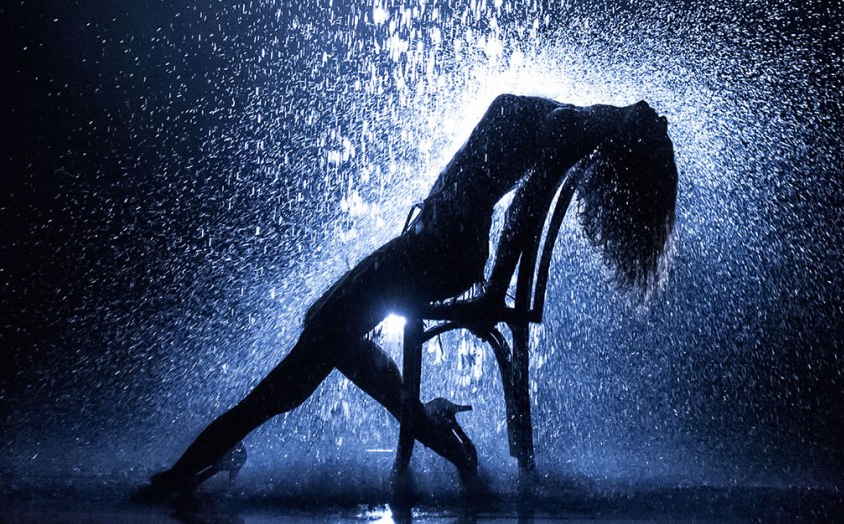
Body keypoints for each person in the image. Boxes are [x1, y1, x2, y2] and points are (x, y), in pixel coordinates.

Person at [144, 94, 678, 497]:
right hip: (433, 245)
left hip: (440, 252)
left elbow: (523, 212)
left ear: (631, 142)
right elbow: (521, 206)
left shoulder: (572, 127)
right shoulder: (577, 121)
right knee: (326, 332)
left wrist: (492, 296)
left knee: (321, 336)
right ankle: (433, 430)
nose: (651, 113)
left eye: (650, 125)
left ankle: (195, 466)